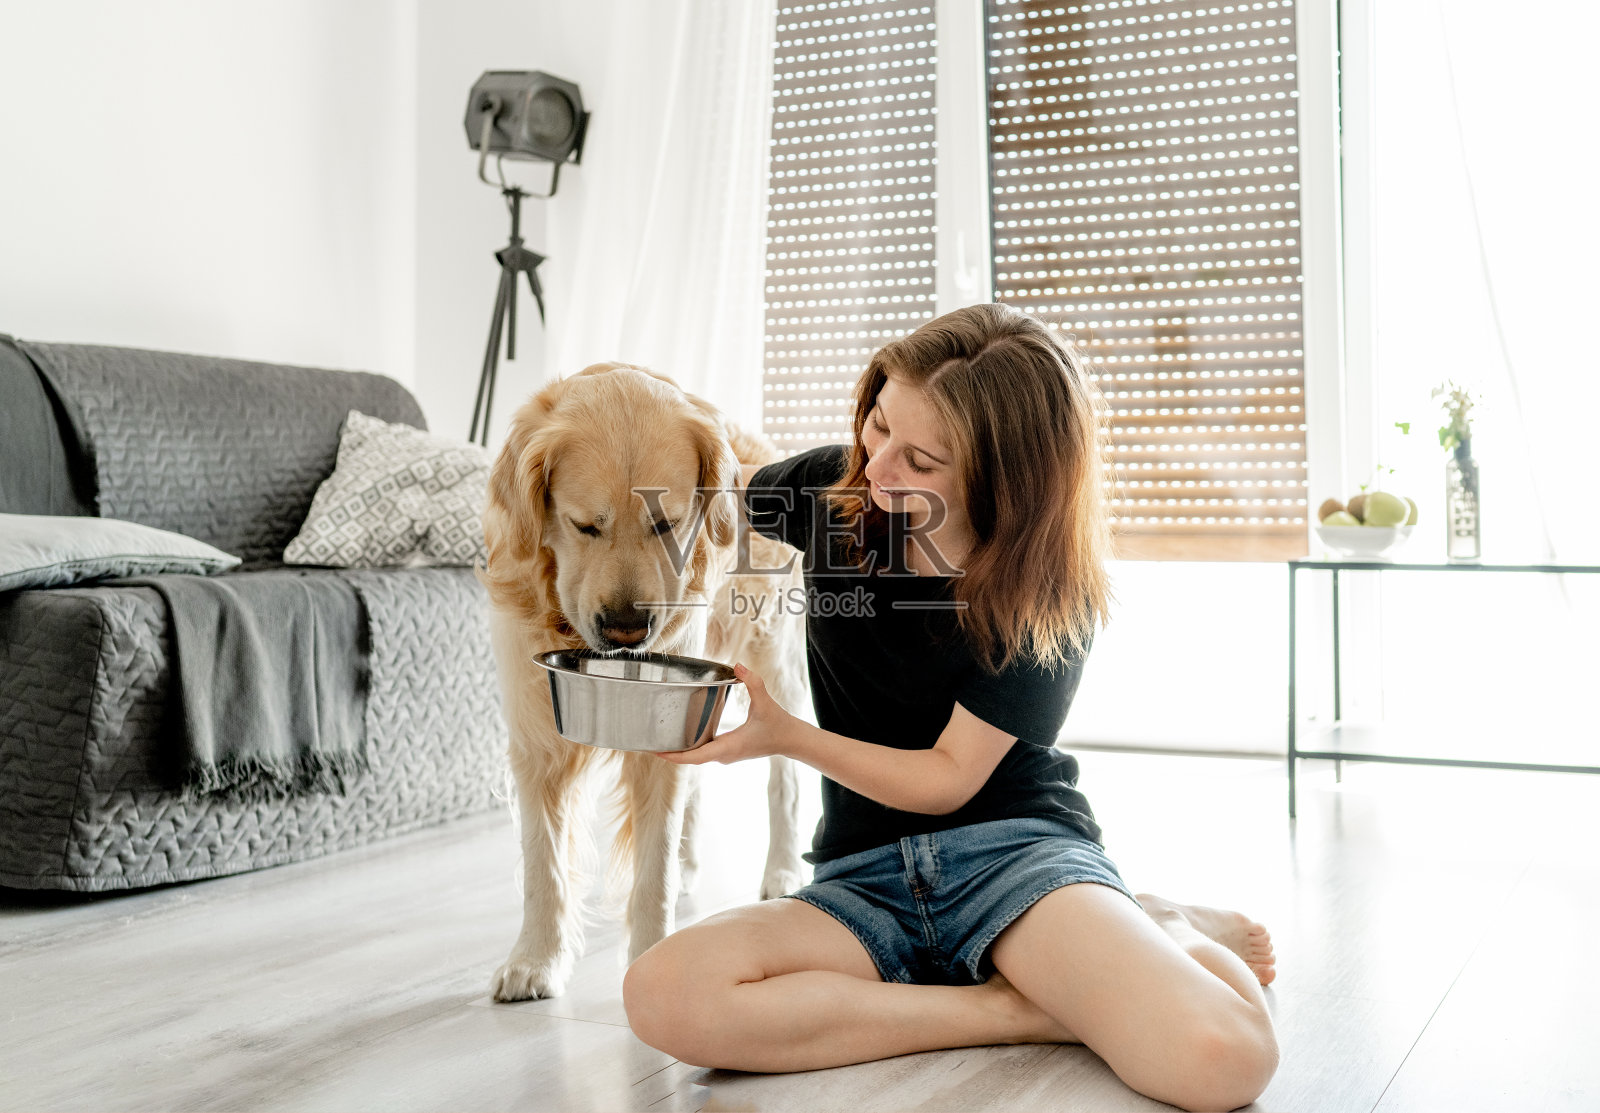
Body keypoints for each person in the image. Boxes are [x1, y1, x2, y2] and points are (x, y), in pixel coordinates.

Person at [622, 304, 1279, 1112]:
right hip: (864, 881)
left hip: (1014, 862)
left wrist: (783, 735)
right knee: (663, 994)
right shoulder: (833, 492)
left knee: (1225, 1058)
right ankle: (1021, 1006)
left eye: (921, 459)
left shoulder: (1048, 593)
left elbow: (947, 780)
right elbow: (704, 496)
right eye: (879, 422)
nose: (877, 464)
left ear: (1004, 483)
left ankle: (1158, 924)